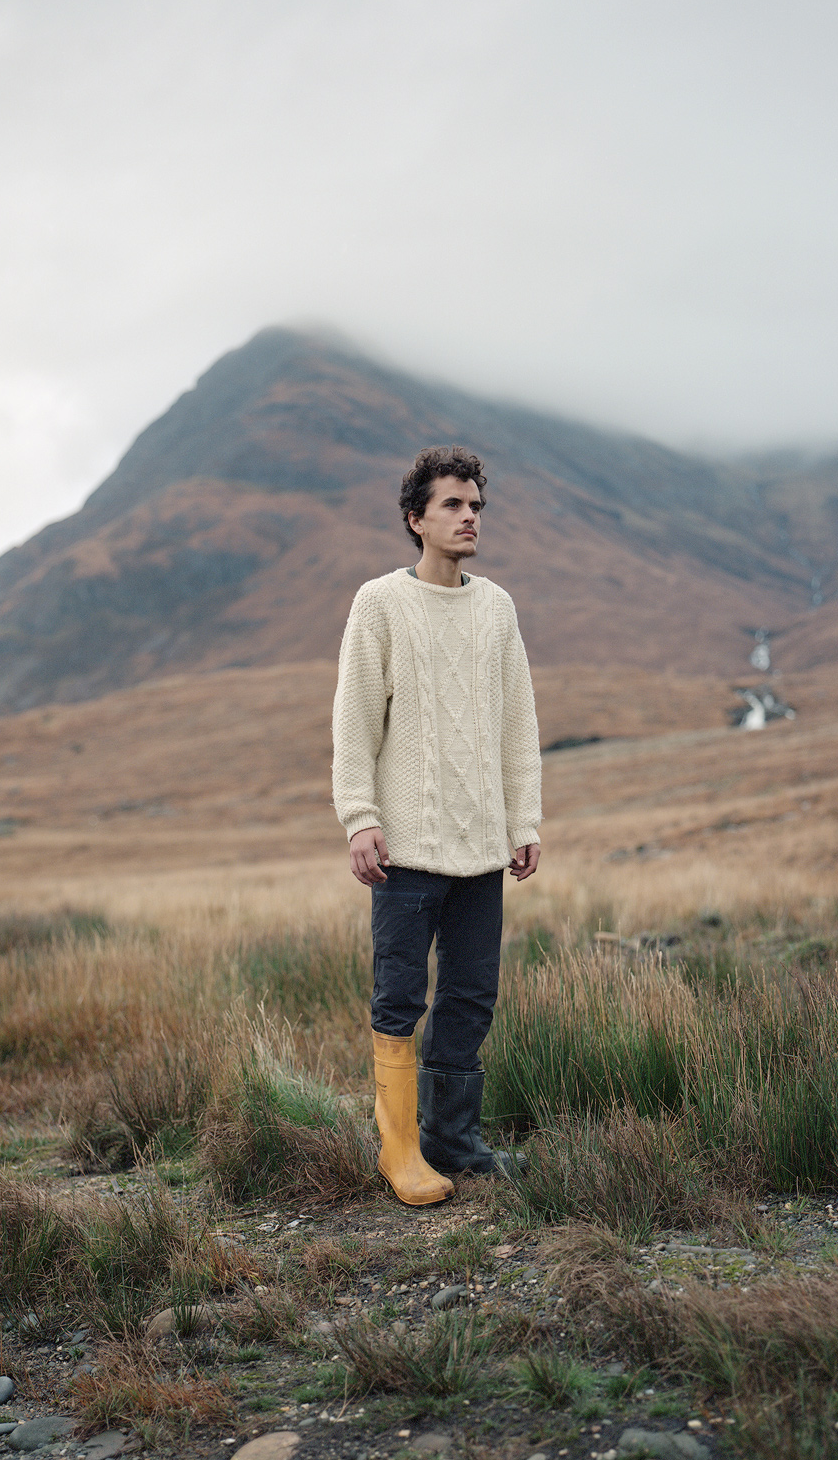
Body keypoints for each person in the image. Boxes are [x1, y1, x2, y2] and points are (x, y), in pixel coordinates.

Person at [331, 445, 542, 1206]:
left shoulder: (498, 609)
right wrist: (360, 817)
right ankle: (399, 1152)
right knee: (398, 998)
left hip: (483, 846)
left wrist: (524, 821)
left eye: (476, 505)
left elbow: (517, 725)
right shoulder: (380, 604)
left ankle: (456, 1142)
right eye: (452, 505)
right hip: (407, 847)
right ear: (415, 518)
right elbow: (355, 720)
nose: (469, 517)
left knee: (471, 995)